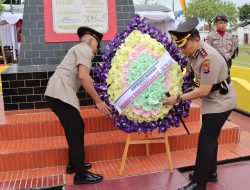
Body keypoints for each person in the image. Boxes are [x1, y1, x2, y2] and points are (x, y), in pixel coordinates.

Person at [166, 17, 237, 190]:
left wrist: (178, 98)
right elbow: (190, 76)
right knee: (210, 139)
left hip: (221, 101)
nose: (181, 50)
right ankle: (210, 172)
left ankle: (199, 182)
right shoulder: (194, 53)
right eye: (179, 46)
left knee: (206, 140)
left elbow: (203, 90)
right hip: (212, 99)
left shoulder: (208, 57)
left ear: (196, 40)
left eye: (184, 45)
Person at [45, 26, 111, 185]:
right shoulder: (85, 49)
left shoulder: (78, 49)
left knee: (76, 127)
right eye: (97, 45)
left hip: (56, 94)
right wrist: (98, 101)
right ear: (91, 40)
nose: (96, 50)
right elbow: (83, 75)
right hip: (60, 95)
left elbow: (85, 78)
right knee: (75, 130)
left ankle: (73, 165)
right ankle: (80, 175)